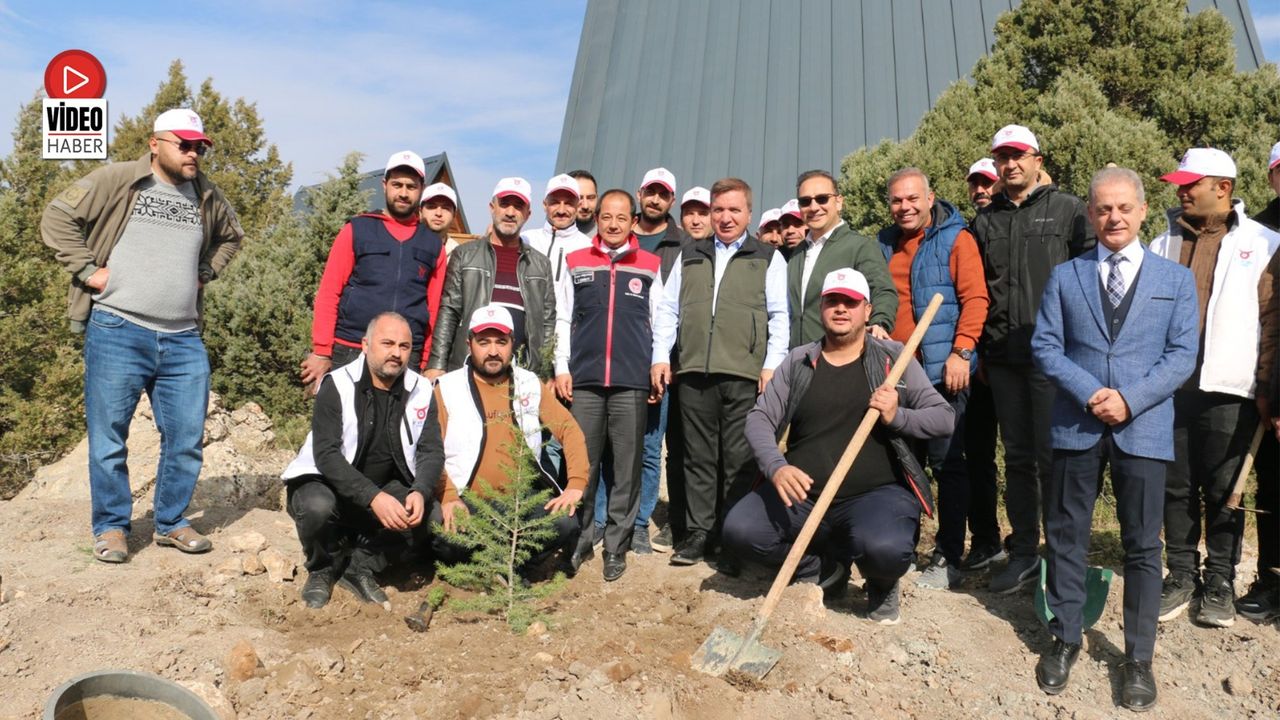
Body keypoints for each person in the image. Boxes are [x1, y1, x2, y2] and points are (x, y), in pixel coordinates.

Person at [41, 108, 242, 563]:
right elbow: (56, 218)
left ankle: (171, 523)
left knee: (187, 437)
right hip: (117, 327)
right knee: (109, 437)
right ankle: (112, 527)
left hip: (183, 337)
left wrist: (206, 270)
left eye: (199, 146)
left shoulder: (207, 194)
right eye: (183, 144)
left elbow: (232, 236)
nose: (193, 153)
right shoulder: (119, 180)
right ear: (155, 144)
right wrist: (90, 272)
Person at [1030, 168, 1198, 711]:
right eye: (1103, 209)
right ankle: (1065, 636)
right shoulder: (1066, 276)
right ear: (1091, 215)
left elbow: (1181, 357)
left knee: (1144, 546)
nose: (1113, 218)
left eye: (1123, 208)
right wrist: (1090, 392)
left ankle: (1138, 658)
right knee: (1065, 535)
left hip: (1143, 426)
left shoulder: (1173, 282)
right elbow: (1048, 347)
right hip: (1076, 424)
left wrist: (1129, 399)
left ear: (1144, 210)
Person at [724, 268, 953, 624]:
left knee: (886, 549)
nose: (841, 309)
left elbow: (944, 418)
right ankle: (821, 566)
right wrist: (776, 466)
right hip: (805, 496)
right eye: (833, 301)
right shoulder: (799, 361)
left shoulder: (894, 358)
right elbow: (759, 419)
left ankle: (881, 582)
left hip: (875, 495)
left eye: (851, 302)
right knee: (740, 530)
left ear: (867, 310)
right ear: (822, 308)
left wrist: (897, 416)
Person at [1150, 148, 1280, 628]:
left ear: (1222, 188)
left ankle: (1220, 580)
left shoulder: (1265, 243)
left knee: (1225, 488)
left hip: (1231, 388)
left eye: (1191, 183)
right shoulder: (1161, 242)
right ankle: (1181, 573)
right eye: (1180, 183)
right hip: (1171, 386)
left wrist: (1265, 384)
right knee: (1175, 485)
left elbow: (1272, 321)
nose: (1181, 191)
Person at [971, 124, 1095, 594]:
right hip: (1002, 358)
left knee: (1055, 459)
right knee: (1019, 458)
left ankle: (1061, 557)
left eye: (1019, 155)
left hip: (1056, 359)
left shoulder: (1068, 211)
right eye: (1002, 157)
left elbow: (1092, 280)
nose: (1010, 164)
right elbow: (977, 290)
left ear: (1038, 159)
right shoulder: (986, 220)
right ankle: (1023, 551)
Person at [651, 178, 789, 569]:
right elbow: (668, 310)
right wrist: (661, 356)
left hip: (743, 374)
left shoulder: (766, 257)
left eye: (734, 210)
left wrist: (771, 366)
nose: (725, 217)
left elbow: (779, 316)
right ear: (710, 213)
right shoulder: (690, 254)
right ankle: (699, 534)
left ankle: (732, 537)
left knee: (737, 459)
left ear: (748, 213)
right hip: (693, 370)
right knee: (697, 458)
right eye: (718, 210)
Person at [876, 168, 989, 590]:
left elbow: (976, 298)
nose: (904, 207)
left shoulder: (956, 239)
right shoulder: (884, 244)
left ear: (929, 198)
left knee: (948, 462)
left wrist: (963, 351)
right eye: (896, 201)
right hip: (897, 372)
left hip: (943, 373)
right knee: (904, 462)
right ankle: (902, 547)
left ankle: (948, 554)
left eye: (911, 199)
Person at [281, 313, 440, 609]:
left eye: (404, 346)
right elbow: (326, 455)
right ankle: (321, 567)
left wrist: (420, 489)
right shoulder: (336, 384)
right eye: (387, 343)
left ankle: (359, 567)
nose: (396, 353)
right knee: (317, 506)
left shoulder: (421, 389)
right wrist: (373, 497)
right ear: (366, 345)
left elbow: (431, 451)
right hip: (326, 481)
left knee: (432, 517)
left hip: (385, 484)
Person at [556, 190, 664, 580]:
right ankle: (580, 539)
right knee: (581, 466)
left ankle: (616, 547)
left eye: (621, 217)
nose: (614, 224)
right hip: (583, 380)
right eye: (606, 217)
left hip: (630, 381)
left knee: (626, 467)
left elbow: (662, 320)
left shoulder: (651, 264)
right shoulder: (576, 261)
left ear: (633, 221)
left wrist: (657, 364)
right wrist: (560, 367)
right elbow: (562, 318)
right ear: (597, 219)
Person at [431, 305, 588, 572]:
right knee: (440, 530)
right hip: (468, 502)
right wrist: (447, 497)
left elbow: (568, 429)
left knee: (565, 521)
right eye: (484, 342)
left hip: (520, 504)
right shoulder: (447, 387)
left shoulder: (529, 384)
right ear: (469, 344)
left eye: (501, 342)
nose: (493, 351)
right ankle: (495, 565)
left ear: (512, 345)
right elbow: (430, 450)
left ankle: (509, 568)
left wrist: (575, 483)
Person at [302, 151, 447, 389]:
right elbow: (329, 292)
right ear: (384, 185)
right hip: (350, 348)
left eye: (411, 186)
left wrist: (424, 359)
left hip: (405, 355)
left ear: (422, 188)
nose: (403, 192)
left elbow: (433, 310)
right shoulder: (357, 229)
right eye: (397, 184)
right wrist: (321, 351)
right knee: (342, 425)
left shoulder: (433, 246)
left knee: (395, 427)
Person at [426, 178, 556, 378]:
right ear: (492, 207)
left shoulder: (540, 264)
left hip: (522, 374)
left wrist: (546, 373)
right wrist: (437, 363)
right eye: (504, 204)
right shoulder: (465, 255)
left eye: (518, 206)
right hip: (468, 368)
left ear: (528, 214)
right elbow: (449, 312)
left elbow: (547, 323)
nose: (510, 213)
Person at [788, 170, 897, 346]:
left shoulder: (860, 247)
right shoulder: (796, 254)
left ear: (839, 202)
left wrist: (880, 323)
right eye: (805, 201)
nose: (814, 207)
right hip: (798, 361)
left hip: (840, 358)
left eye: (822, 199)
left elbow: (883, 291)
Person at [1240, 140, 1280, 621]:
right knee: (1273, 485)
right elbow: (1268, 317)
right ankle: (1271, 579)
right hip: (1275, 375)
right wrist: (1268, 387)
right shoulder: (1263, 232)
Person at [961, 158, 1005, 573]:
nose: (981, 190)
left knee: (1031, 458)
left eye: (987, 182)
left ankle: (1028, 542)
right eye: (975, 183)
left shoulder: (1012, 225)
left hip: (1015, 359)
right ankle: (986, 539)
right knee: (978, 455)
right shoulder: (969, 231)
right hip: (978, 363)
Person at [521, 173, 592, 288]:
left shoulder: (589, 248)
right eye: (555, 203)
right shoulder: (525, 240)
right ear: (545, 205)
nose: (561, 210)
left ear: (578, 206)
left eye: (568, 203)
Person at [420, 182, 461, 256]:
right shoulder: (404, 244)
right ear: (420, 211)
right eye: (432, 206)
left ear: (454, 215)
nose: (438, 213)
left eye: (445, 208)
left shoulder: (460, 254)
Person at [569, 169, 599, 238]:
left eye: (591, 198)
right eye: (579, 198)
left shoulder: (608, 240)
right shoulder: (548, 239)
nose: (585, 206)